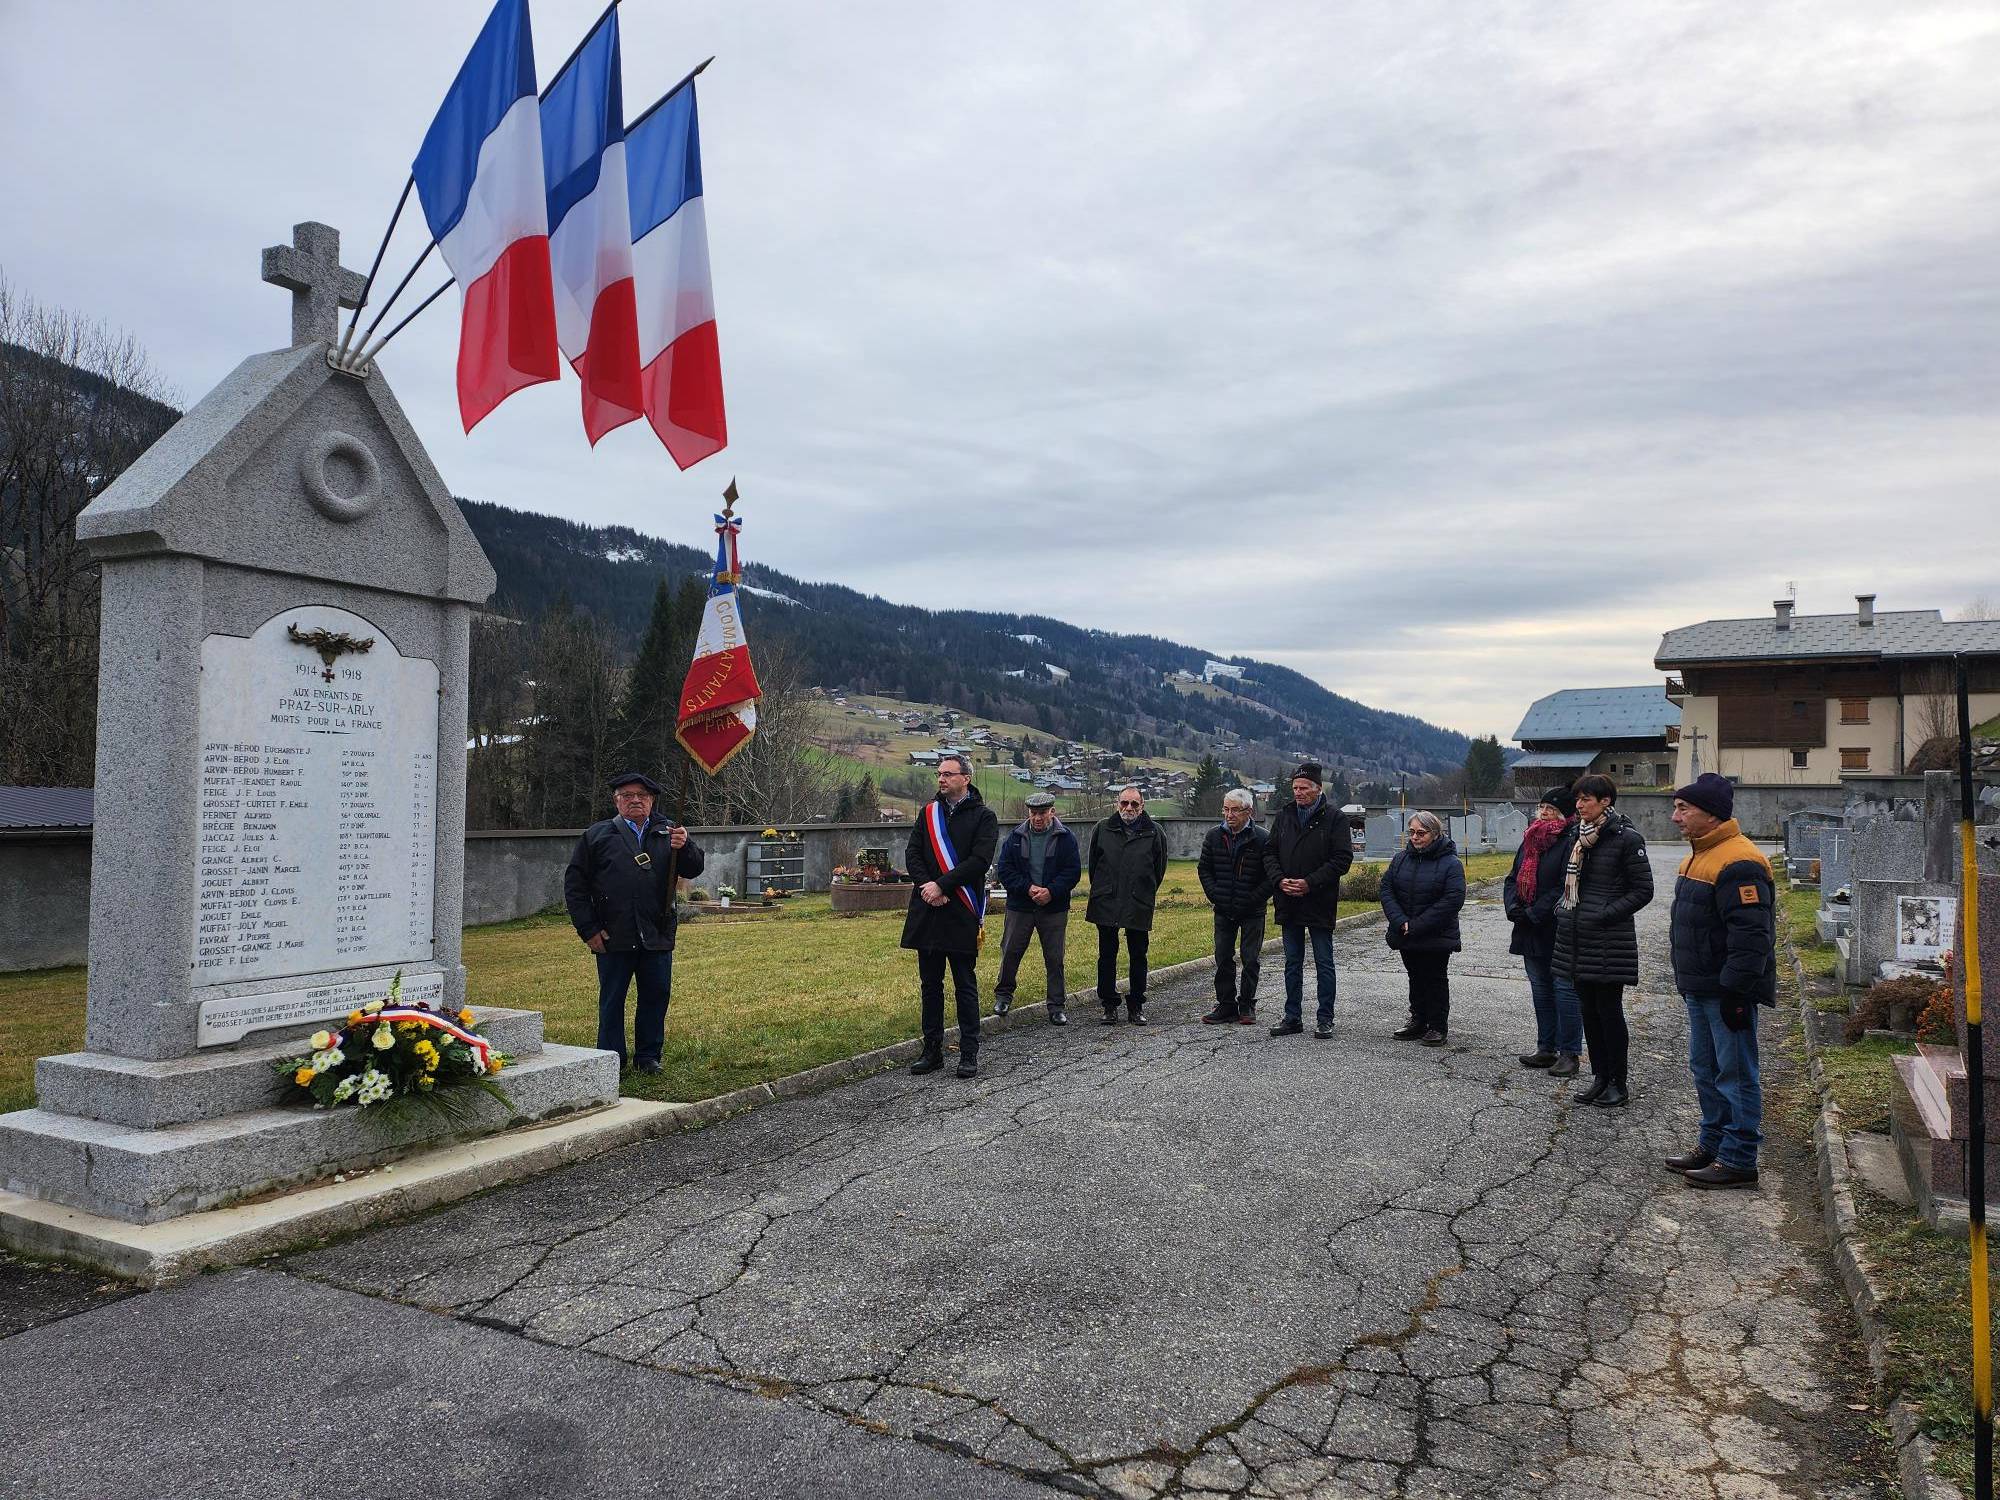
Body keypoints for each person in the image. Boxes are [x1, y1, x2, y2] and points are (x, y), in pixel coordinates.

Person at [1666, 772, 1777, 1189]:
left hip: (1726, 991)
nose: (1675, 817)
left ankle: (1739, 1157)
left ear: (1711, 814)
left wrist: (1736, 991)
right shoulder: (1699, 855)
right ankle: (1712, 1143)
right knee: (1706, 1068)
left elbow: (1751, 936)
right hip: (1700, 986)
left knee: (1735, 1073)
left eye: (1683, 808)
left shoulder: (1739, 861)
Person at [563, 770, 705, 1074]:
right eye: (627, 795)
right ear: (616, 801)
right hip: (613, 933)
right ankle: (611, 1058)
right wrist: (588, 929)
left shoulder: (669, 832)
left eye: (642, 795)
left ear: (652, 800)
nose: (635, 800)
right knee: (612, 1000)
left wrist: (686, 846)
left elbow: (694, 868)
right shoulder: (597, 836)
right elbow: (575, 887)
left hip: (657, 931)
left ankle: (648, 1057)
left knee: (655, 996)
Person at [1553, 773, 1654, 1108]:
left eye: (1586, 799)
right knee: (1589, 1013)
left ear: (1605, 801)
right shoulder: (1579, 837)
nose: (1579, 805)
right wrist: (1565, 910)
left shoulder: (1626, 838)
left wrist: (1604, 914)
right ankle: (1599, 1077)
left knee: (1609, 1013)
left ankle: (1617, 1083)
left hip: (1609, 940)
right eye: (1577, 799)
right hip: (1577, 938)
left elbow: (1643, 890)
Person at [903, 754, 999, 1078]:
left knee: (964, 985)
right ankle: (931, 1051)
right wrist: (927, 886)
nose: (941, 779)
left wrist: (943, 885)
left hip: (960, 909)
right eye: (939, 774)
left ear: (965, 778)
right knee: (930, 986)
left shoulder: (984, 817)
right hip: (928, 909)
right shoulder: (928, 813)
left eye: (948, 774)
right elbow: (913, 853)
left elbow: (979, 861)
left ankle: (968, 1053)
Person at [1264, 762, 1353, 1039]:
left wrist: (1310, 883)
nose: (1298, 792)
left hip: (1319, 901)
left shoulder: (1335, 819)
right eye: (1295, 788)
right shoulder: (1285, 816)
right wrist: (1280, 880)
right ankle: (1292, 1017)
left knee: (1324, 962)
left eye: (1303, 788)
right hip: (1288, 900)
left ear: (1318, 789)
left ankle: (1325, 1018)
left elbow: (1342, 860)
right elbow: (1269, 853)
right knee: (1292, 962)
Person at [1504, 787, 1584, 1076]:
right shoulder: (1530, 839)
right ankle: (1546, 1048)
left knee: (1564, 988)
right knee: (1540, 989)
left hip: (1556, 926)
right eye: (1542, 807)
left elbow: (1564, 884)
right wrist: (1513, 906)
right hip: (1529, 928)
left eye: (1551, 808)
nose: (1544, 813)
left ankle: (1569, 1052)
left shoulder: (1570, 840)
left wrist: (1534, 913)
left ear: (1564, 813)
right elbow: (1512, 878)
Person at [992, 791, 1082, 1025]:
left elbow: (1072, 872)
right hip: (1020, 906)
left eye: (1042, 813)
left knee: (1054, 957)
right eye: (1033, 813)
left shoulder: (1066, 838)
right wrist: (1028, 888)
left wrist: (1051, 891)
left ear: (1052, 812)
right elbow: (1005, 870)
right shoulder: (1015, 837)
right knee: (1010, 951)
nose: (1038, 818)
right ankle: (1003, 996)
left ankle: (1056, 1006)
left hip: (1053, 908)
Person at [1381, 810, 1466, 1046]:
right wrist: (1400, 921)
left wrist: (1417, 924)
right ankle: (1418, 1020)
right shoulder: (1401, 859)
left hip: (1435, 933)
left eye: (1421, 833)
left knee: (1435, 978)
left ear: (1435, 834)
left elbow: (1453, 899)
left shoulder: (1451, 863)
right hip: (1405, 930)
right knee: (1415, 976)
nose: (1415, 837)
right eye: (1412, 832)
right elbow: (1386, 889)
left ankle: (1437, 1025)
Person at [1086, 785, 1168, 1024]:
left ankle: (1136, 1006)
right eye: (1124, 803)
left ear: (1142, 806)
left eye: (1134, 804)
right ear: (1117, 804)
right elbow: (1093, 866)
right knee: (1106, 955)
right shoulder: (1102, 828)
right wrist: (1104, 889)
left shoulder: (1155, 832)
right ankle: (1109, 1005)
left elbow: (1159, 870)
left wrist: (1143, 890)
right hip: (1106, 900)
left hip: (1138, 901)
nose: (1128, 808)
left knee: (1138, 955)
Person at [1197, 787, 1274, 1025]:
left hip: (1253, 910)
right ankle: (1226, 1004)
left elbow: (1271, 876)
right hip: (1223, 908)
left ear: (1248, 811)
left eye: (1235, 810)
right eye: (1226, 809)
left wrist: (1253, 899)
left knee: (1250, 959)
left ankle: (1247, 1004)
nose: (1229, 815)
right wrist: (1215, 895)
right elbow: (1204, 869)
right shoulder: (1214, 836)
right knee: (1223, 957)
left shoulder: (1262, 838)